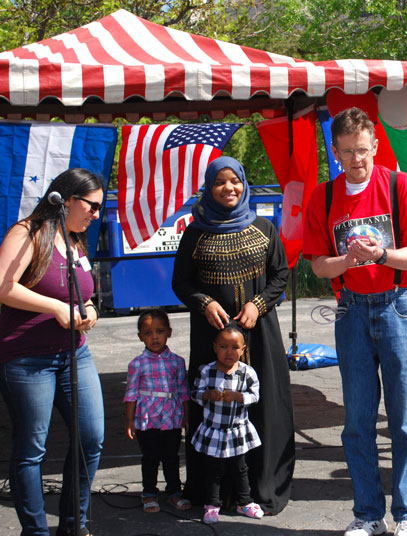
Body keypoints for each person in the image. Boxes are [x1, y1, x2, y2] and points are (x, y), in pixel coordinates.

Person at [303, 107, 407, 536]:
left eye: (363, 150)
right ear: (335, 152)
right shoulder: (323, 197)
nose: (356, 159)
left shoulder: (402, 186)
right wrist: (348, 259)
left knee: (404, 420)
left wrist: (380, 255)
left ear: (375, 147)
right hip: (351, 310)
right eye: (347, 152)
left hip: (399, 306)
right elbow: (319, 267)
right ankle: (368, 516)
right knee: (357, 422)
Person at [172, 156, 293, 514]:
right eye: (220, 182)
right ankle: (212, 492)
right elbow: (181, 282)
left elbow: (280, 274)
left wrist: (258, 305)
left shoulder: (265, 228)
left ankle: (259, 488)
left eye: (235, 181)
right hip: (212, 340)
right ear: (209, 188)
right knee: (214, 407)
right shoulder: (195, 232)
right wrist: (204, 302)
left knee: (262, 402)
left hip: (259, 336)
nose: (229, 188)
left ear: (244, 184)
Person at [0, 168, 105, 536]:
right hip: (28, 358)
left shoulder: (75, 241)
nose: (95, 215)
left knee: (91, 439)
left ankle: (74, 525)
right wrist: (56, 308)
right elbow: (3, 285)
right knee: (32, 448)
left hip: (74, 354)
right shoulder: (28, 232)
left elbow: (85, 294)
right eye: (92, 207)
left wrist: (89, 309)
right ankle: (36, 531)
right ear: (66, 199)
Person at [191, 323, 264, 524]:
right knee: (213, 470)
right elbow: (194, 395)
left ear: (243, 349)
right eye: (223, 347)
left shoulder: (247, 372)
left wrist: (239, 397)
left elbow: (255, 396)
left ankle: (244, 502)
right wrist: (208, 394)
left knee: (240, 468)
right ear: (215, 347)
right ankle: (212, 505)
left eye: (234, 347)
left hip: (237, 431)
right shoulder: (207, 371)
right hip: (213, 431)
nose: (229, 352)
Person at [124, 310, 191, 512]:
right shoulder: (137, 364)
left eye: (159, 331)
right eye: (148, 332)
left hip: (171, 417)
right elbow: (131, 393)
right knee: (150, 457)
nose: (154, 337)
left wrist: (186, 417)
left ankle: (173, 493)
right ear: (140, 336)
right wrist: (129, 420)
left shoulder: (177, 362)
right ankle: (149, 494)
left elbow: (184, 391)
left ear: (169, 333)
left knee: (171, 456)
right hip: (147, 419)